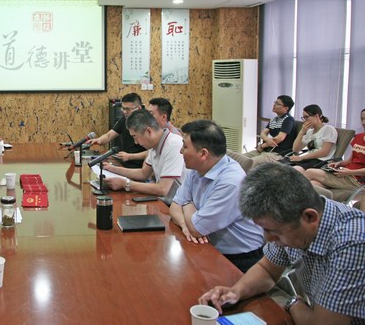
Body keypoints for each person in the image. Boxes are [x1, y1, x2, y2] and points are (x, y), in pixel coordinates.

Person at [199, 163, 365, 325]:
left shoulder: (352, 243)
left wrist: (293, 303)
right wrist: (236, 292)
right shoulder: (293, 225)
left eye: (274, 231)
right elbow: (267, 270)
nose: (268, 239)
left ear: (310, 217)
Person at [169, 120, 264, 273]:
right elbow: (174, 207)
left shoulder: (230, 181)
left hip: (240, 259)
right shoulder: (196, 168)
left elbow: (197, 229)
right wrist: (185, 225)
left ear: (203, 154)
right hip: (206, 246)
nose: (181, 151)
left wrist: (186, 204)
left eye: (185, 147)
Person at [102, 109, 185, 204]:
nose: (136, 142)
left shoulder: (174, 145)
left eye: (135, 136)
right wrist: (112, 169)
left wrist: (125, 184)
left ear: (149, 131)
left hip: (176, 206)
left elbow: (162, 189)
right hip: (163, 201)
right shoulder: (154, 145)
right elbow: (143, 173)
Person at [302, 108, 365, 191]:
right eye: (362, 119)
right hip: (346, 173)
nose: (363, 123)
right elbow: (350, 160)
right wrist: (338, 164)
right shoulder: (358, 137)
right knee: (314, 184)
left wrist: (349, 172)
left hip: (357, 180)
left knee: (309, 172)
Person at [87, 93, 147, 168]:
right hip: (126, 162)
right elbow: (109, 135)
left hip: (140, 166)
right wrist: (99, 140)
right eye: (123, 108)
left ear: (138, 108)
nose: (125, 112)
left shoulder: (147, 122)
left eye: (128, 109)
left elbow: (152, 153)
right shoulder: (125, 119)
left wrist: (130, 156)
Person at [243, 95, 296, 164]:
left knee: (248, 163)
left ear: (286, 108)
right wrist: (267, 140)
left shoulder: (288, 119)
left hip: (277, 154)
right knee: (239, 158)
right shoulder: (274, 119)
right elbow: (263, 133)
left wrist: (262, 146)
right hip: (265, 151)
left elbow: (279, 139)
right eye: (275, 102)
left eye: (277, 104)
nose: (274, 105)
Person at [288, 104, 337, 171]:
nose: (304, 120)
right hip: (308, 159)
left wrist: (301, 158)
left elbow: (324, 152)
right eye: (303, 118)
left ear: (317, 116)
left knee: (292, 169)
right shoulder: (310, 131)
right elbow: (295, 149)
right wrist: (301, 132)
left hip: (320, 161)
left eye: (306, 117)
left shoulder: (328, 129)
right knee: (282, 166)